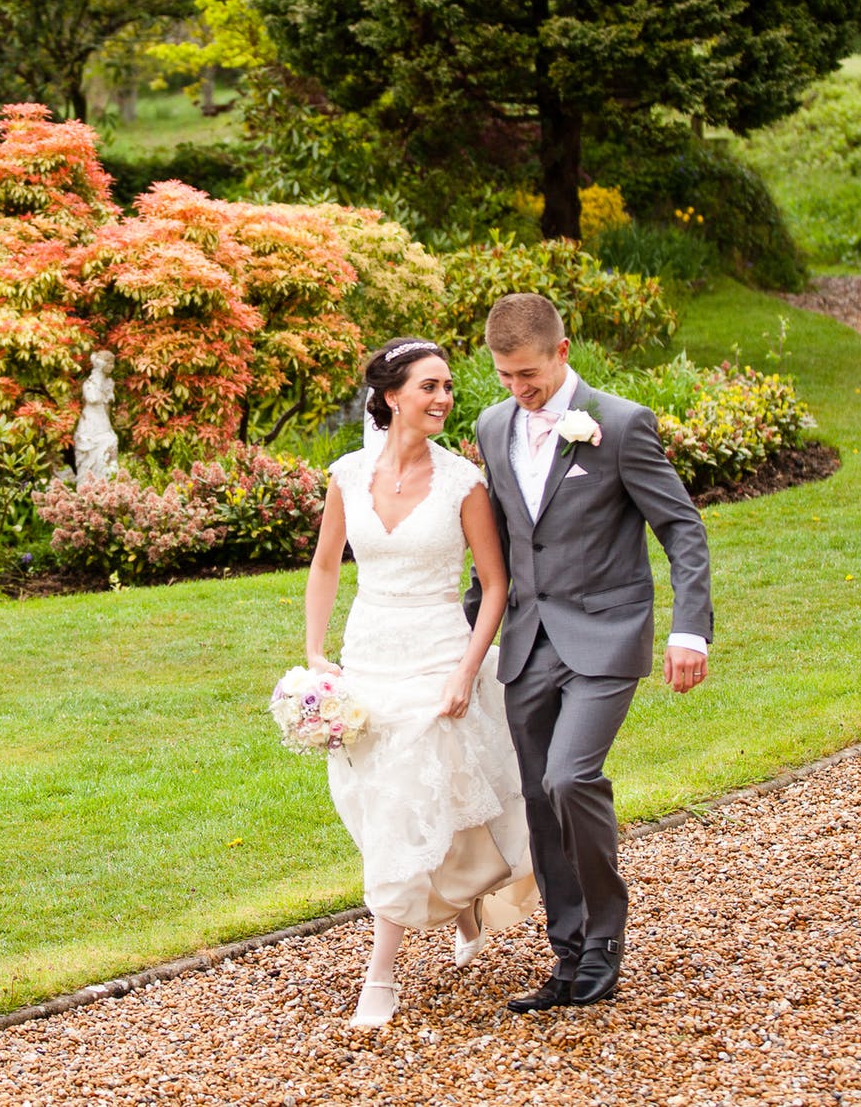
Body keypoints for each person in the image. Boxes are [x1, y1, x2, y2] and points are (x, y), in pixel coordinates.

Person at [462, 293, 712, 1013]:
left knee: (572, 779)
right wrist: (465, 638)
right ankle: (566, 956)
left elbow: (682, 530)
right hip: (527, 643)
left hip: (605, 634)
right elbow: (505, 548)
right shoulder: (491, 425)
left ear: (562, 352)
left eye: (529, 374)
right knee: (540, 801)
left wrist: (688, 630)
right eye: (506, 376)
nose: (518, 389)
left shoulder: (621, 425)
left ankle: (605, 937)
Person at [304, 336, 539, 1030]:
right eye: (429, 387)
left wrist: (468, 669)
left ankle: (381, 977)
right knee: (381, 805)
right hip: (368, 656)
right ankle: (461, 908)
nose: (443, 398)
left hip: (438, 658)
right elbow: (325, 566)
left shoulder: (464, 483)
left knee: (409, 797)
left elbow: (495, 585)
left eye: (447, 387)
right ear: (390, 395)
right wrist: (315, 653)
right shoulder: (347, 474)